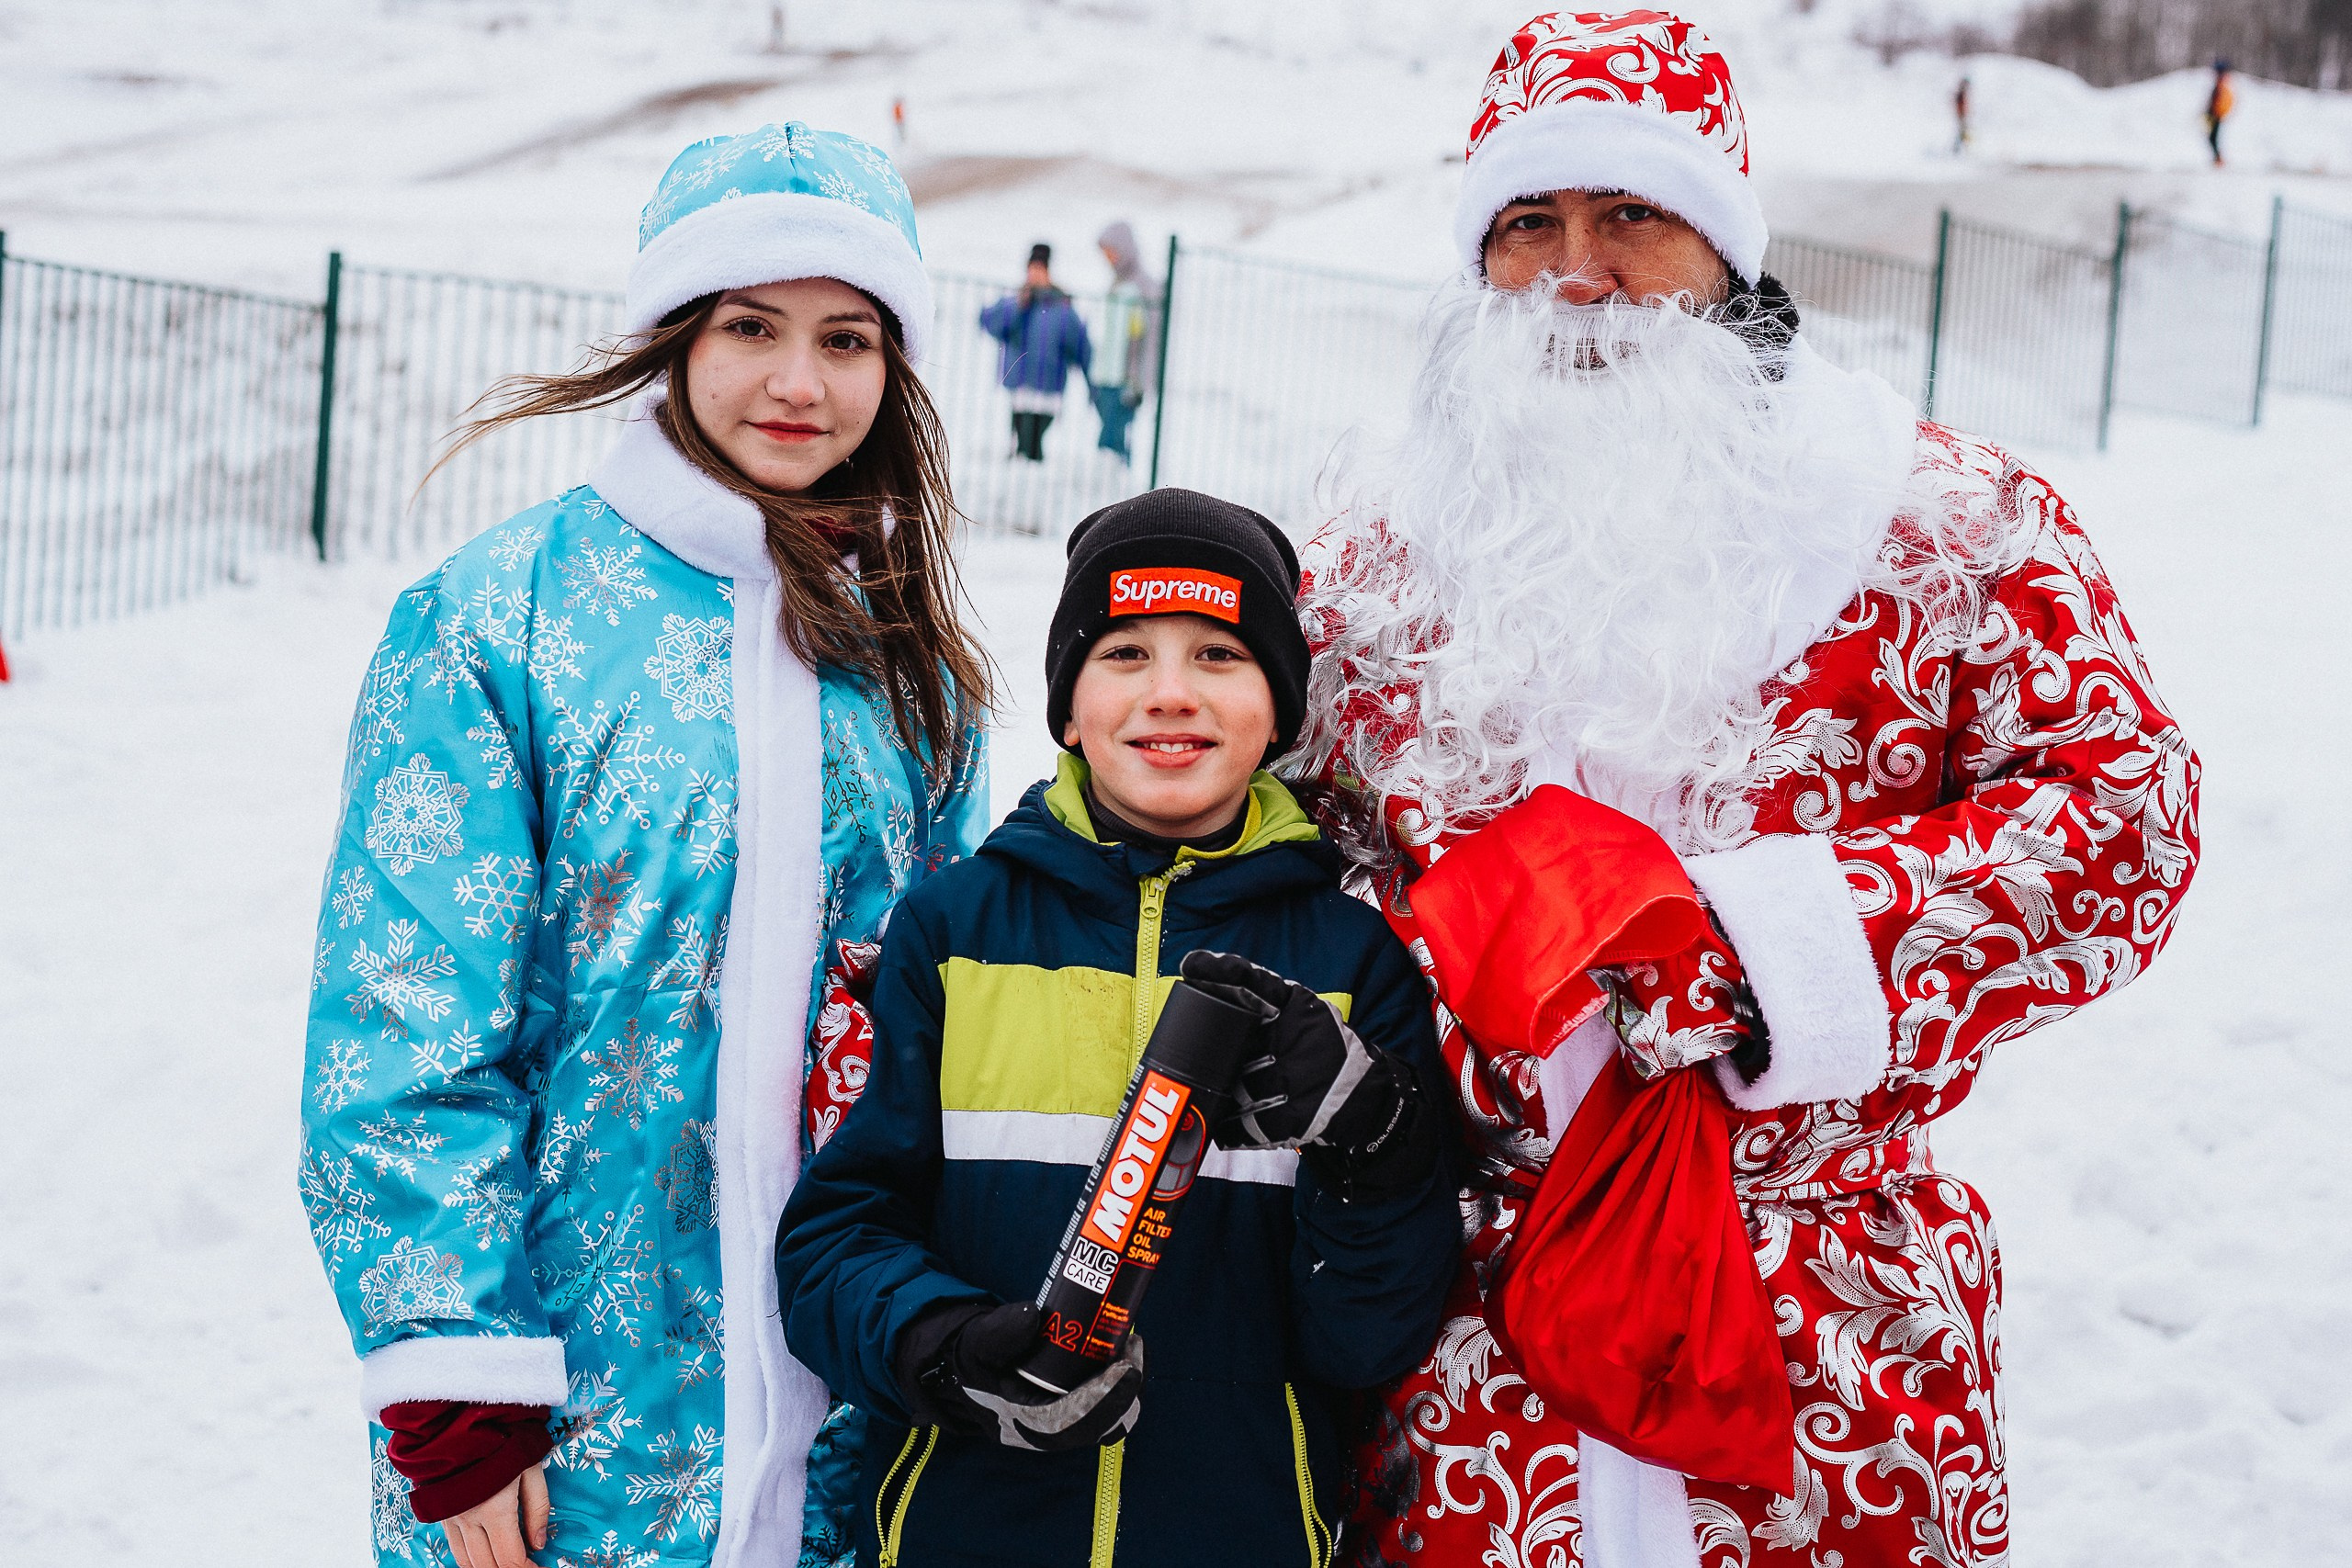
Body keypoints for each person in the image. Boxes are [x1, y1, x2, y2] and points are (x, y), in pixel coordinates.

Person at [1288, 14, 2201, 1566]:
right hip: (1461, 1355)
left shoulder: (1938, 527)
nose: (1579, 272)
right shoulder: (1365, 574)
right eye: (1530, 225)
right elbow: (1270, 870)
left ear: (1724, 243)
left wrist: (1768, 941)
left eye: (1631, 217)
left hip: (1828, 1346)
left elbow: (2129, 815)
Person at [300, 121, 993, 1568]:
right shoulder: (499, 622)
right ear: (675, 332)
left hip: (844, 1427)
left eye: (847, 338)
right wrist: (456, 1384)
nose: (800, 383)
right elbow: (403, 1028)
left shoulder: (915, 664)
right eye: (753, 326)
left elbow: (944, 1035)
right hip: (571, 1434)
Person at [775, 488, 1461, 1566]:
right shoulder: (953, 931)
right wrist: (944, 1348)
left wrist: (1373, 1140)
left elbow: (1364, 1336)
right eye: (1126, 654)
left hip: (1238, 1533)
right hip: (964, 1533)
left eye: (1221, 658)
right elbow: (832, 1242)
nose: (1171, 694)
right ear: (1067, 705)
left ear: (1280, 708)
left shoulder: (1354, 964)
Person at [979, 243, 1092, 461]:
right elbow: (990, 323)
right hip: (1020, 386)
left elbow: (1079, 345)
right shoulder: (1017, 301)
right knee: (1022, 442)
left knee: (1033, 444)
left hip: (1048, 388)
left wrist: (1092, 384)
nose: (1035, 274)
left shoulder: (1061, 306)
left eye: (1040, 268)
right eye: (1032, 268)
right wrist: (1018, 306)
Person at [1091, 220, 1162, 464]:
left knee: (1112, 446)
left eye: (1111, 251)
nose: (1108, 258)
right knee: (1109, 444)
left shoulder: (1142, 288)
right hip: (1106, 377)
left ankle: (1118, 496)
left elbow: (1145, 339)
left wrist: (1136, 380)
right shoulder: (1117, 284)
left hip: (1125, 380)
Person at [2207, 58, 2234, 166]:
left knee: (2212, 137)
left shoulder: (2221, 85)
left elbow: (2217, 101)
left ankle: (2218, 159)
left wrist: (2215, 111)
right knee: (2211, 136)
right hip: (2214, 114)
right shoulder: (2221, 84)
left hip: (2215, 115)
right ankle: (2217, 158)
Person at [1953, 73, 1971, 154]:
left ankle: (1960, 148)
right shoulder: (1960, 94)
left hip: (1962, 115)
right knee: (1962, 132)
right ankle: (1958, 149)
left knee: (1963, 132)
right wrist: (1962, 114)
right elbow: (1960, 105)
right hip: (1961, 116)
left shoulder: (1961, 93)